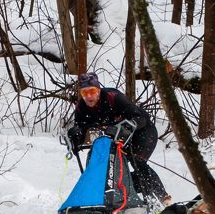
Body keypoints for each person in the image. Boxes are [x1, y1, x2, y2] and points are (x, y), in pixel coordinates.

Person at [66, 72, 170, 205]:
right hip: (119, 139)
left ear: (98, 90)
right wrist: (75, 136)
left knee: (136, 161)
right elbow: (82, 132)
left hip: (143, 133)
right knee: (107, 167)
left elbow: (141, 118)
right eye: (84, 93)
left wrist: (123, 127)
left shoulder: (112, 97)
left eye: (92, 91)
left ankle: (162, 198)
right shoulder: (82, 108)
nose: (89, 96)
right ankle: (117, 196)